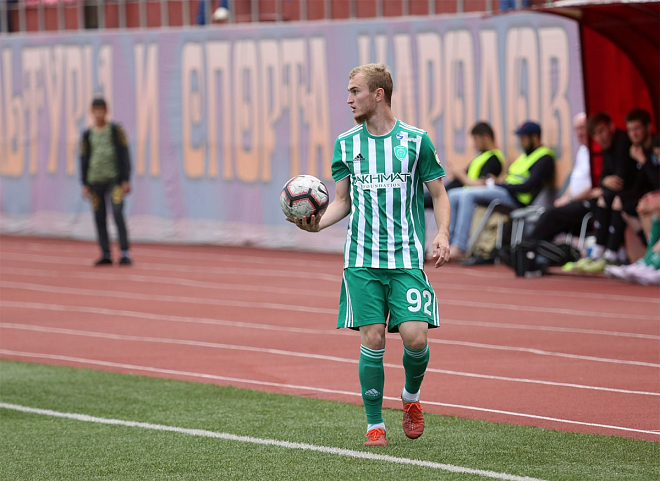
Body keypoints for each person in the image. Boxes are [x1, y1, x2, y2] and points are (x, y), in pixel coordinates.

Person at [289, 63, 450, 447]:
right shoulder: (346, 144)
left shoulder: (416, 141)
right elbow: (342, 201)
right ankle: (374, 425)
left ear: (378, 94)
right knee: (373, 338)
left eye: (355, 91)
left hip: (406, 258)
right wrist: (316, 224)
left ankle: (410, 396)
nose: (348, 99)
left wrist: (443, 233)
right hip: (361, 259)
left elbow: (439, 194)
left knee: (415, 338)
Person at [447, 121, 555, 260]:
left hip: (515, 198)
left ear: (534, 137)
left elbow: (528, 186)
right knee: (453, 194)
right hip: (505, 191)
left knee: (467, 195)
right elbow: (511, 179)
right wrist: (498, 183)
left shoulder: (545, 158)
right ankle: (448, 244)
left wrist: (499, 185)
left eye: (523, 138)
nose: (520, 142)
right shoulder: (524, 156)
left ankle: (460, 246)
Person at [572, 110, 649, 272]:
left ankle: (613, 254)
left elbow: (620, 179)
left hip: (638, 191)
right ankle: (602, 250)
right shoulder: (607, 147)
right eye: (595, 134)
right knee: (599, 199)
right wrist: (605, 182)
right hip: (630, 191)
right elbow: (605, 177)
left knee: (614, 201)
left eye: (601, 131)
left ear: (611, 127)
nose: (599, 137)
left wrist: (605, 186)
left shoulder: (622, 142)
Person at [526, 112, 595, 243]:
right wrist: (564, 198)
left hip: (586, 203)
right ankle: (535, 249)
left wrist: (569, 199)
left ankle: (528, 247)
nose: (579, 133)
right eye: (576, 129)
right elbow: (574, 181)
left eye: (582, 128)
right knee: (549, 214)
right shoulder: (582, 151)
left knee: (551, 216)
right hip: (574, 201)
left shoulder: (595, 152)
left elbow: (593, 186)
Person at [79, 97, 133, 266]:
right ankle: (106, 253)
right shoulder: (88, 135)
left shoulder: (115, 130)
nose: (99, 114)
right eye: (96, 110)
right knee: (99, 217)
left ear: (106, 111)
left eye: (102, 110)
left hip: (114, 180)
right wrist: (84, 183)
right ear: (92, 112)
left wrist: (125, 179)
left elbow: (124, 153)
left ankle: (124, 252)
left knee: (117, 213)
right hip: (95, 181)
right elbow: (84, 159)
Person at [424, 122, 504, 209]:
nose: (475, 144)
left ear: (486, 137)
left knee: (424, 199)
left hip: (463, 197)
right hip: (456, 193)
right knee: (423, 197)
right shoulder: (482, 156)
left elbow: (483, 184)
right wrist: (458, 173)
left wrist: (461, 175)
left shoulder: (494, 159)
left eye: (476, 139)